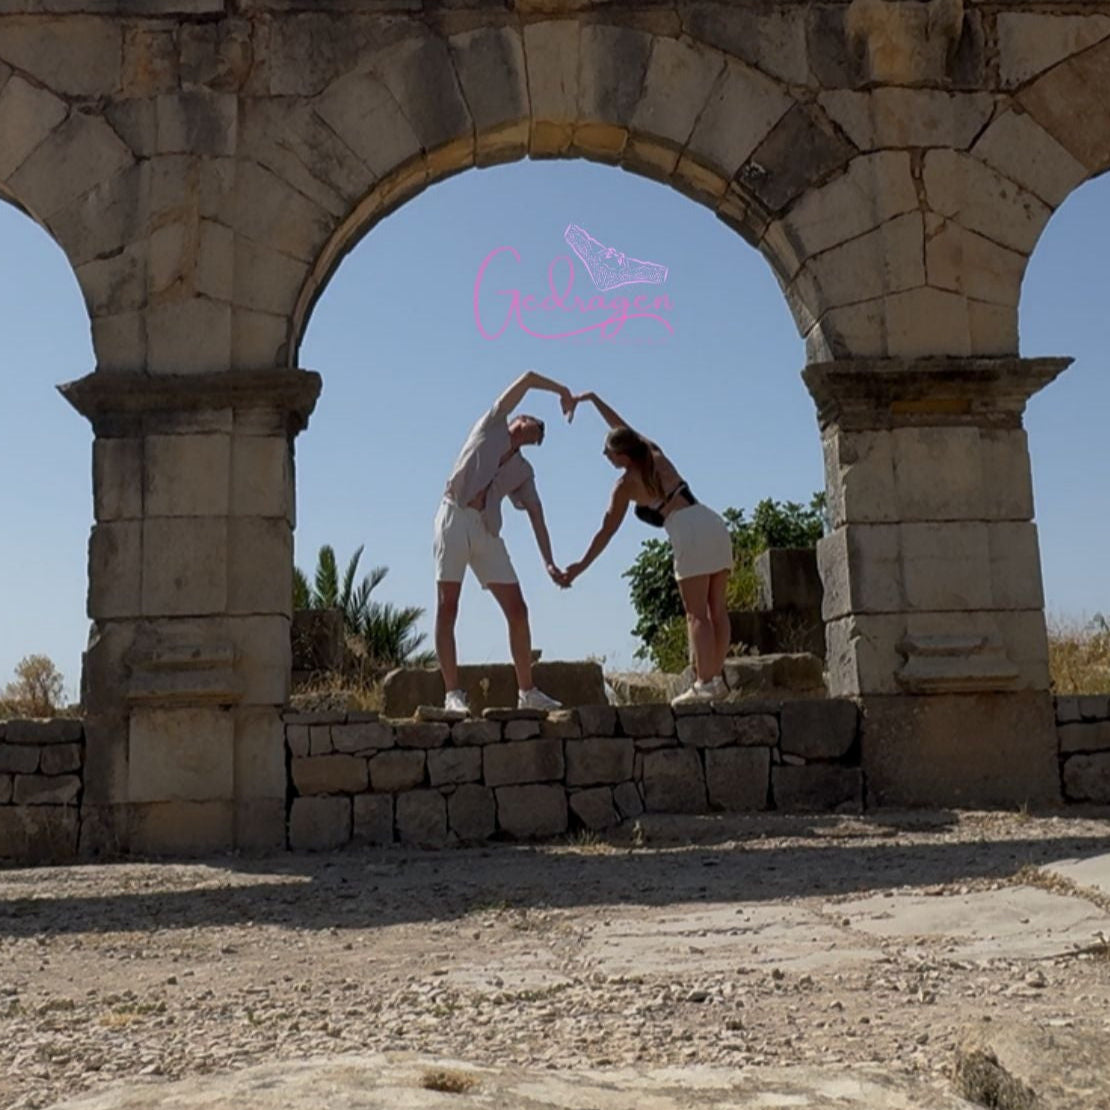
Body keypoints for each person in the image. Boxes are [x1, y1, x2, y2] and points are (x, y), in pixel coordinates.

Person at [560, 391, 734, 705]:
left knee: (696, 615)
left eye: (607, 452)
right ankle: (715, 680)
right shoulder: (654, 453)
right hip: (712, 522)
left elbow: (606, 531)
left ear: (623, 456)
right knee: (717, 610)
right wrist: (590, 399)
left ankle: (704, 682)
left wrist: (579, 566)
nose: (605, 456)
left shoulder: (625, 485)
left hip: (686, 530)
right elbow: (623, 429)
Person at [435, 371, 574, 713]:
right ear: (521, 419)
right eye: (536, 428)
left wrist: (549, 561)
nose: (537, 437)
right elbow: (526, 379)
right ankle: (452, 693)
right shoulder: (492, 424)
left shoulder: (523, 471)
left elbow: (536, 514)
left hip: (486, 529)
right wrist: (562, 390)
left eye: (540, 438)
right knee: (447, 606)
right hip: (453, 515)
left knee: (518, 609)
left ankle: (527, 691)